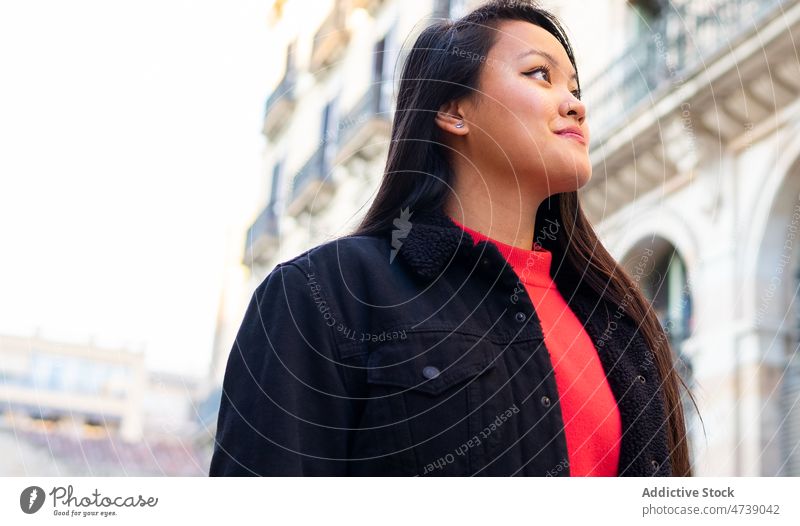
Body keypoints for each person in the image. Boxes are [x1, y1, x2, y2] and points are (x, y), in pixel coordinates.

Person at [209, 0, 696, 476]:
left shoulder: (617, 322)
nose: (576, 104)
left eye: (575, 86)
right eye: (540, 75)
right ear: (454, 112)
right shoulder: (323, 294)